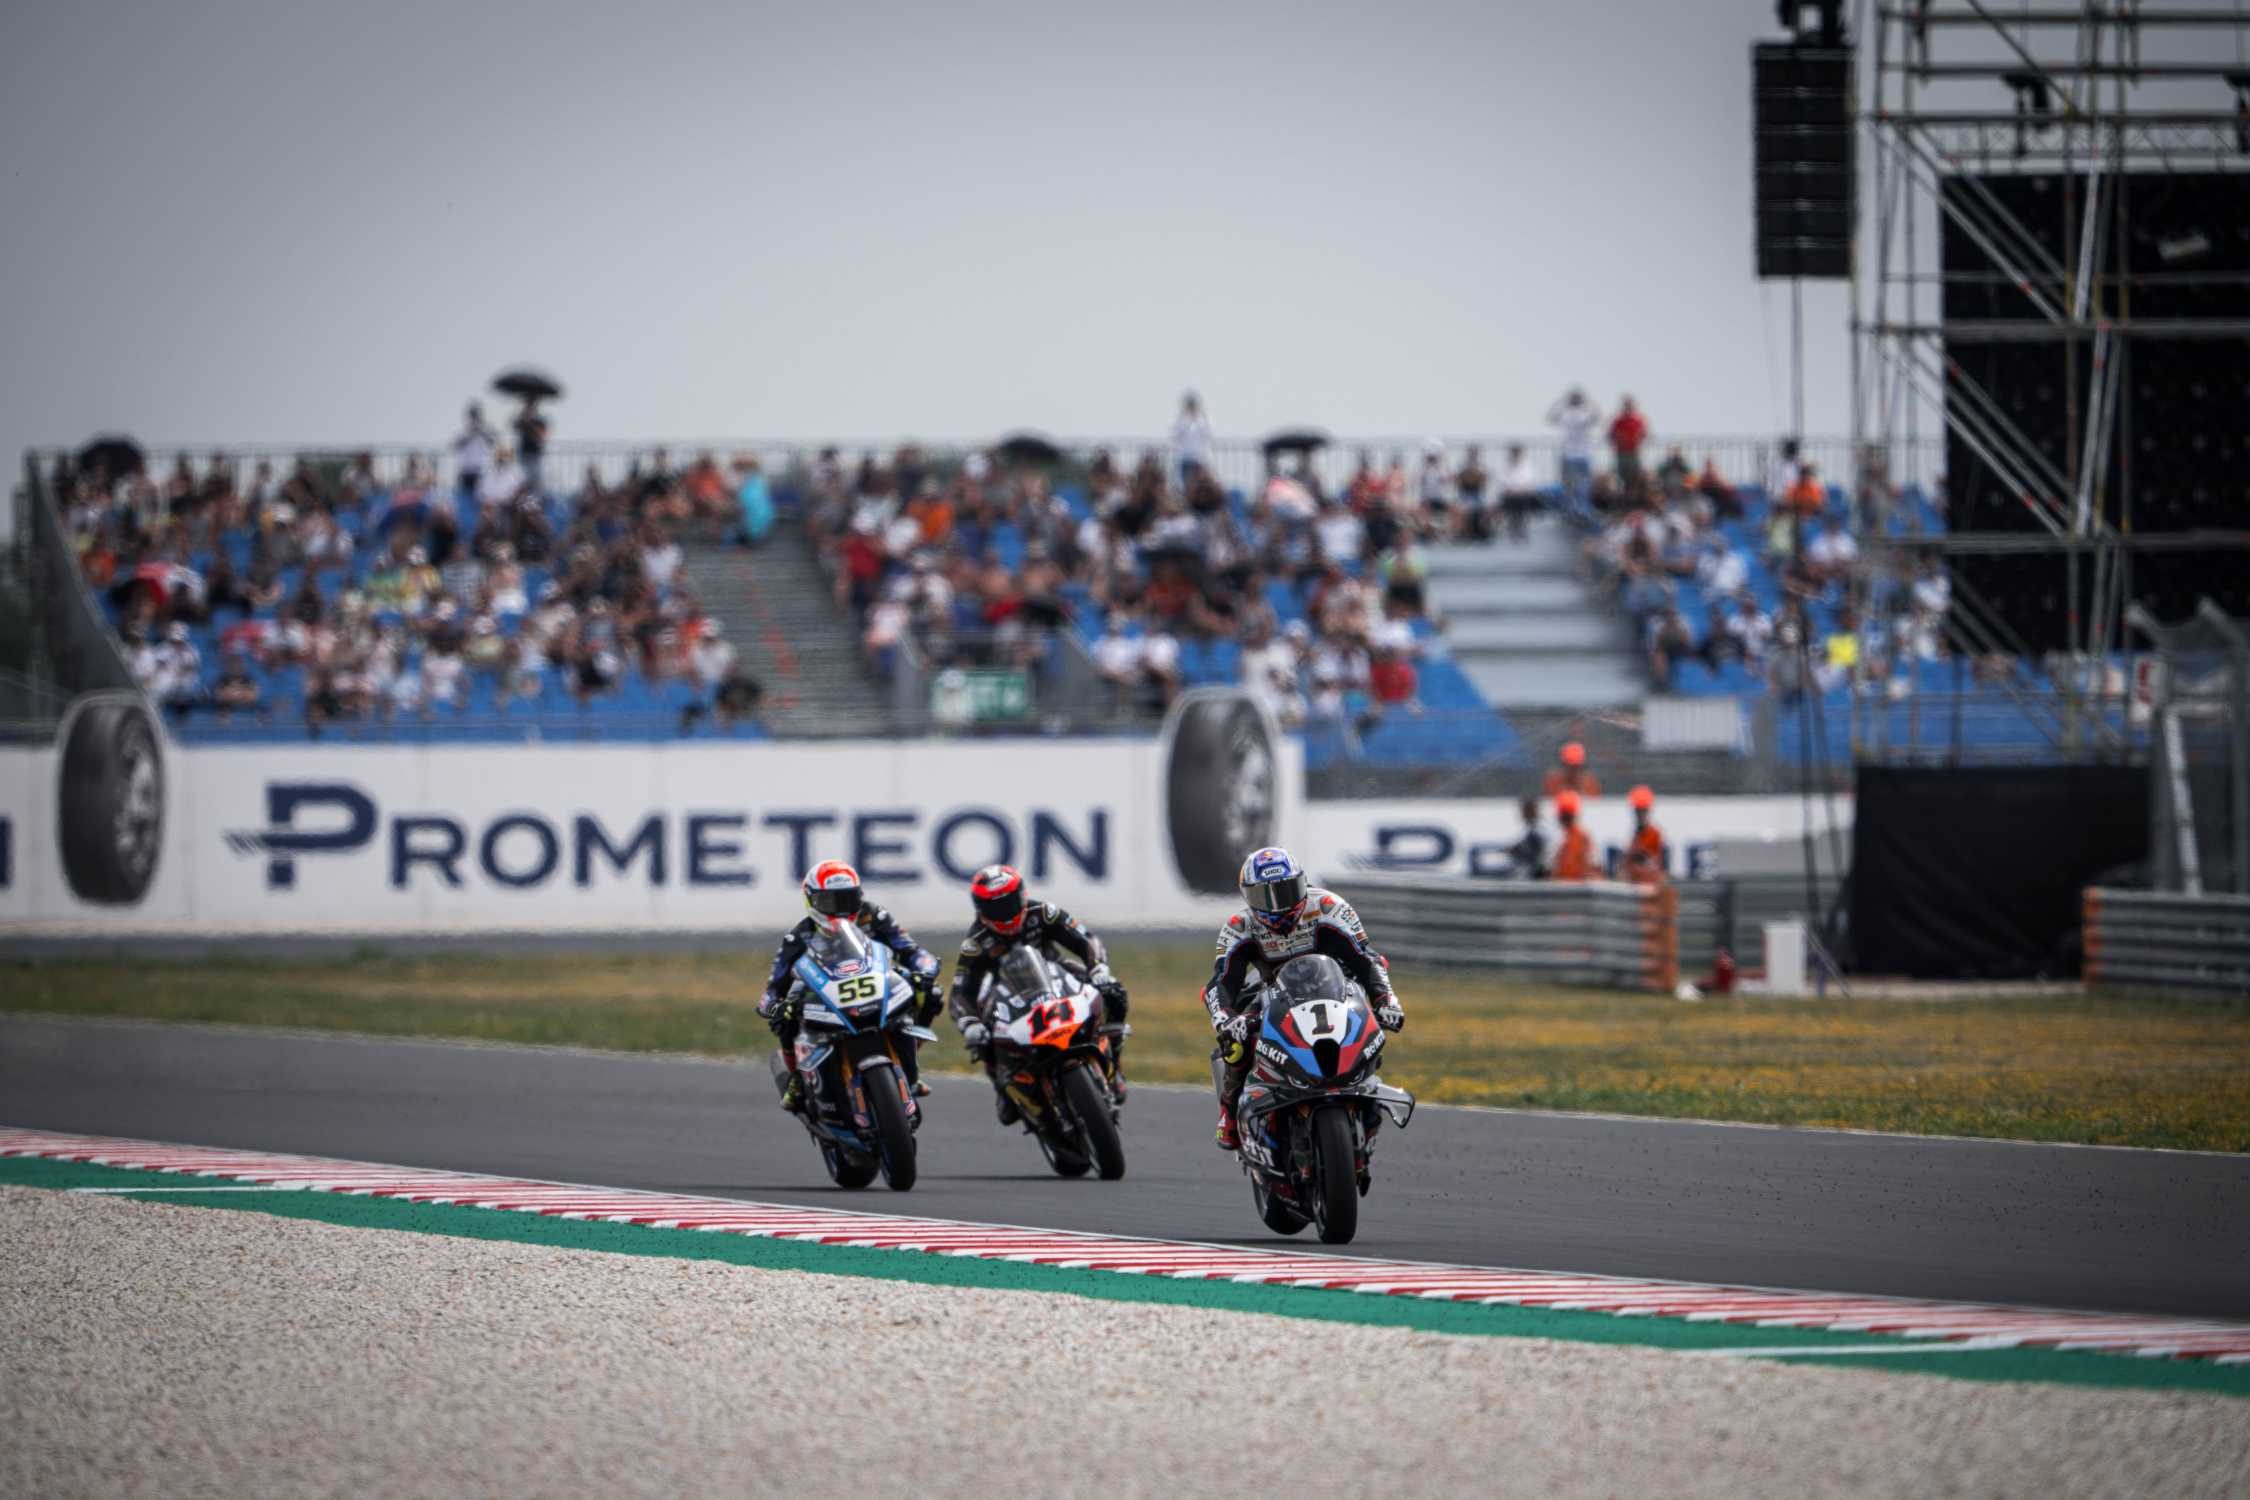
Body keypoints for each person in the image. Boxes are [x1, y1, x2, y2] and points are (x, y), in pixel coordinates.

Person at [1203, 847, 1405, 1151]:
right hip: (1272, 993)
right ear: (1247, 897)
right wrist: (1226, 1020)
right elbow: (1221, 981)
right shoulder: (1239, 926)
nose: (1278, 904)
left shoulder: (1328, 907)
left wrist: (1386, 1000)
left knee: (1367, 1027)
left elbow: (1367, 959)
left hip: (1333, 987)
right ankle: (1229, 1113)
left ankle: (1363, 1093)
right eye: (1264, 896)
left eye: (1285, 890)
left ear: (1302, 883)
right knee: (1236, 1043)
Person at [948, 864, 1131, 1122]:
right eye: (995, 908)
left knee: (1114, 991)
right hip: (1008, 994)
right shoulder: (975, 942)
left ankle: (1115, 1064)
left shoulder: (1043, 913)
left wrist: (1098, 968)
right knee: (983, 1031)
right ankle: (1003, 1087)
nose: (1005, 914)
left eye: (1010, 903)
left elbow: (1086, 940)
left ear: (1022, 896)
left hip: (1057, 974)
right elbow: (960, 992)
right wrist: (970, 1024)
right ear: (981, 910)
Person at [758, 861, 943, 1114]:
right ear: (811, 901)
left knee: (931, 993)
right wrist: (775, 1007)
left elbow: (913, 951)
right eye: (830, 902)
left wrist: (925, 970)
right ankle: (797, 1078)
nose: (840, 910)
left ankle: (908, 1061)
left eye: (848, 899)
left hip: (875, 981)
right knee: (785, 1019)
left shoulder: (874, 916)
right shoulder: (799, 936)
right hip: (823, 992)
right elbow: (771, 990)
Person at [1546, 387, 1602, 521]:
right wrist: (1589, 401)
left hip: (1577, 455)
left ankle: (1578, 509)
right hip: (1573, 455)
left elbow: (1551, 415)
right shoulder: (1575, 414)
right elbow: (1597, 415)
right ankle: (1574, 509)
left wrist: (1561, 401)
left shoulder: (1573, 414)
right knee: (1575, 484)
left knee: (1577, 485)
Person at [1623, 785, 1668, 886]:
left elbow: (1644, 858)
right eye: (1638, 811)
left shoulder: (1654, 833)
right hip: (1638, 883)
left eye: (1642, 811)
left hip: (1649, 883)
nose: (1640, 815)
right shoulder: (1637, 833)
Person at [1551, 792, 1595, 882]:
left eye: (1565, 816)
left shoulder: (1581, 837)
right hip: (1564, 884)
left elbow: (1587, 865)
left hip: (1575, 884)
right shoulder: (1562, 837)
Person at [1506, 797, 1548, 878]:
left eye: (1525, 810)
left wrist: (1516, 851)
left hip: (1537, 874)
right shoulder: (1532, 829)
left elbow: (1535, 854)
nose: (1522, 814)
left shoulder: (1538, 830)